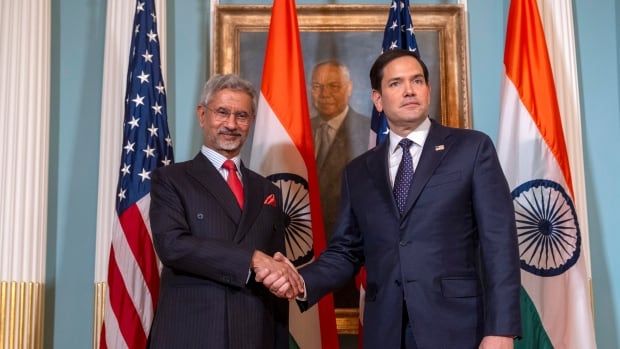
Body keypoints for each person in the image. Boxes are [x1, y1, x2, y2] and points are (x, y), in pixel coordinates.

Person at [271, 49, 522, 348]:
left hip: (458, 328)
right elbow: (346, 251)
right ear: (378, 100)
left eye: (417, 80)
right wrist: (300, 280)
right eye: (396, 83)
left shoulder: (472, 148)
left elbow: (499, 243)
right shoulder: (359, 171)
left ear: (427, 90)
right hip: (384, 330)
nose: (409, 90)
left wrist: (501, 330)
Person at [148, 74, 302, 348]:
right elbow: (173, 246)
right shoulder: (171, 179)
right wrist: (252, 258)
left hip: (256, 332)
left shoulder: (269, 191)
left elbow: (275, 268)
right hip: (193, 333)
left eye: (241, 116)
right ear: (202, 114)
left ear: (251, 121)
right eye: (222, 112)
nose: (231, 124)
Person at [310, 60, 370, 308]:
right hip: (305, 252)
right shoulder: (297, 131)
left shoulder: (370, 132)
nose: (324, 94)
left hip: (352, 259)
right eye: (317, 86)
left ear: (350, 87)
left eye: (334, 85)